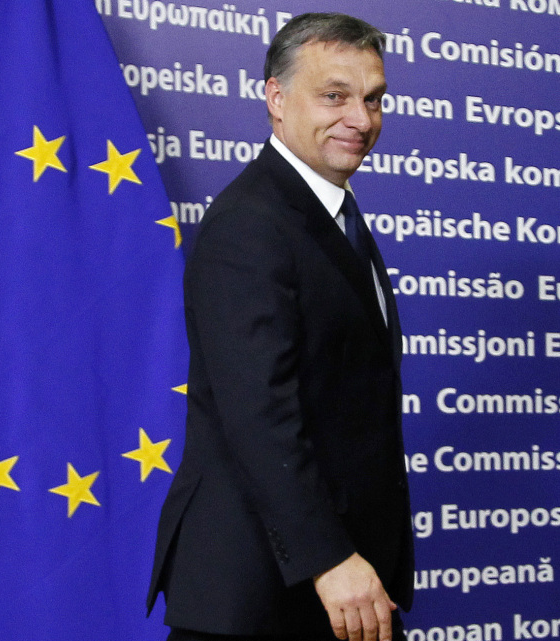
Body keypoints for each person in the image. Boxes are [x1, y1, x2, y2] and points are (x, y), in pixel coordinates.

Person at [146, 12, 414, 641]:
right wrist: (329, 558)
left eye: (373, 99)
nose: (361, 118)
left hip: (337, 582)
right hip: (263, 591)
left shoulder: (331, 211)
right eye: (335, 95)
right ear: (275, 97)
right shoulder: (251, 223)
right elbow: (259, 414)